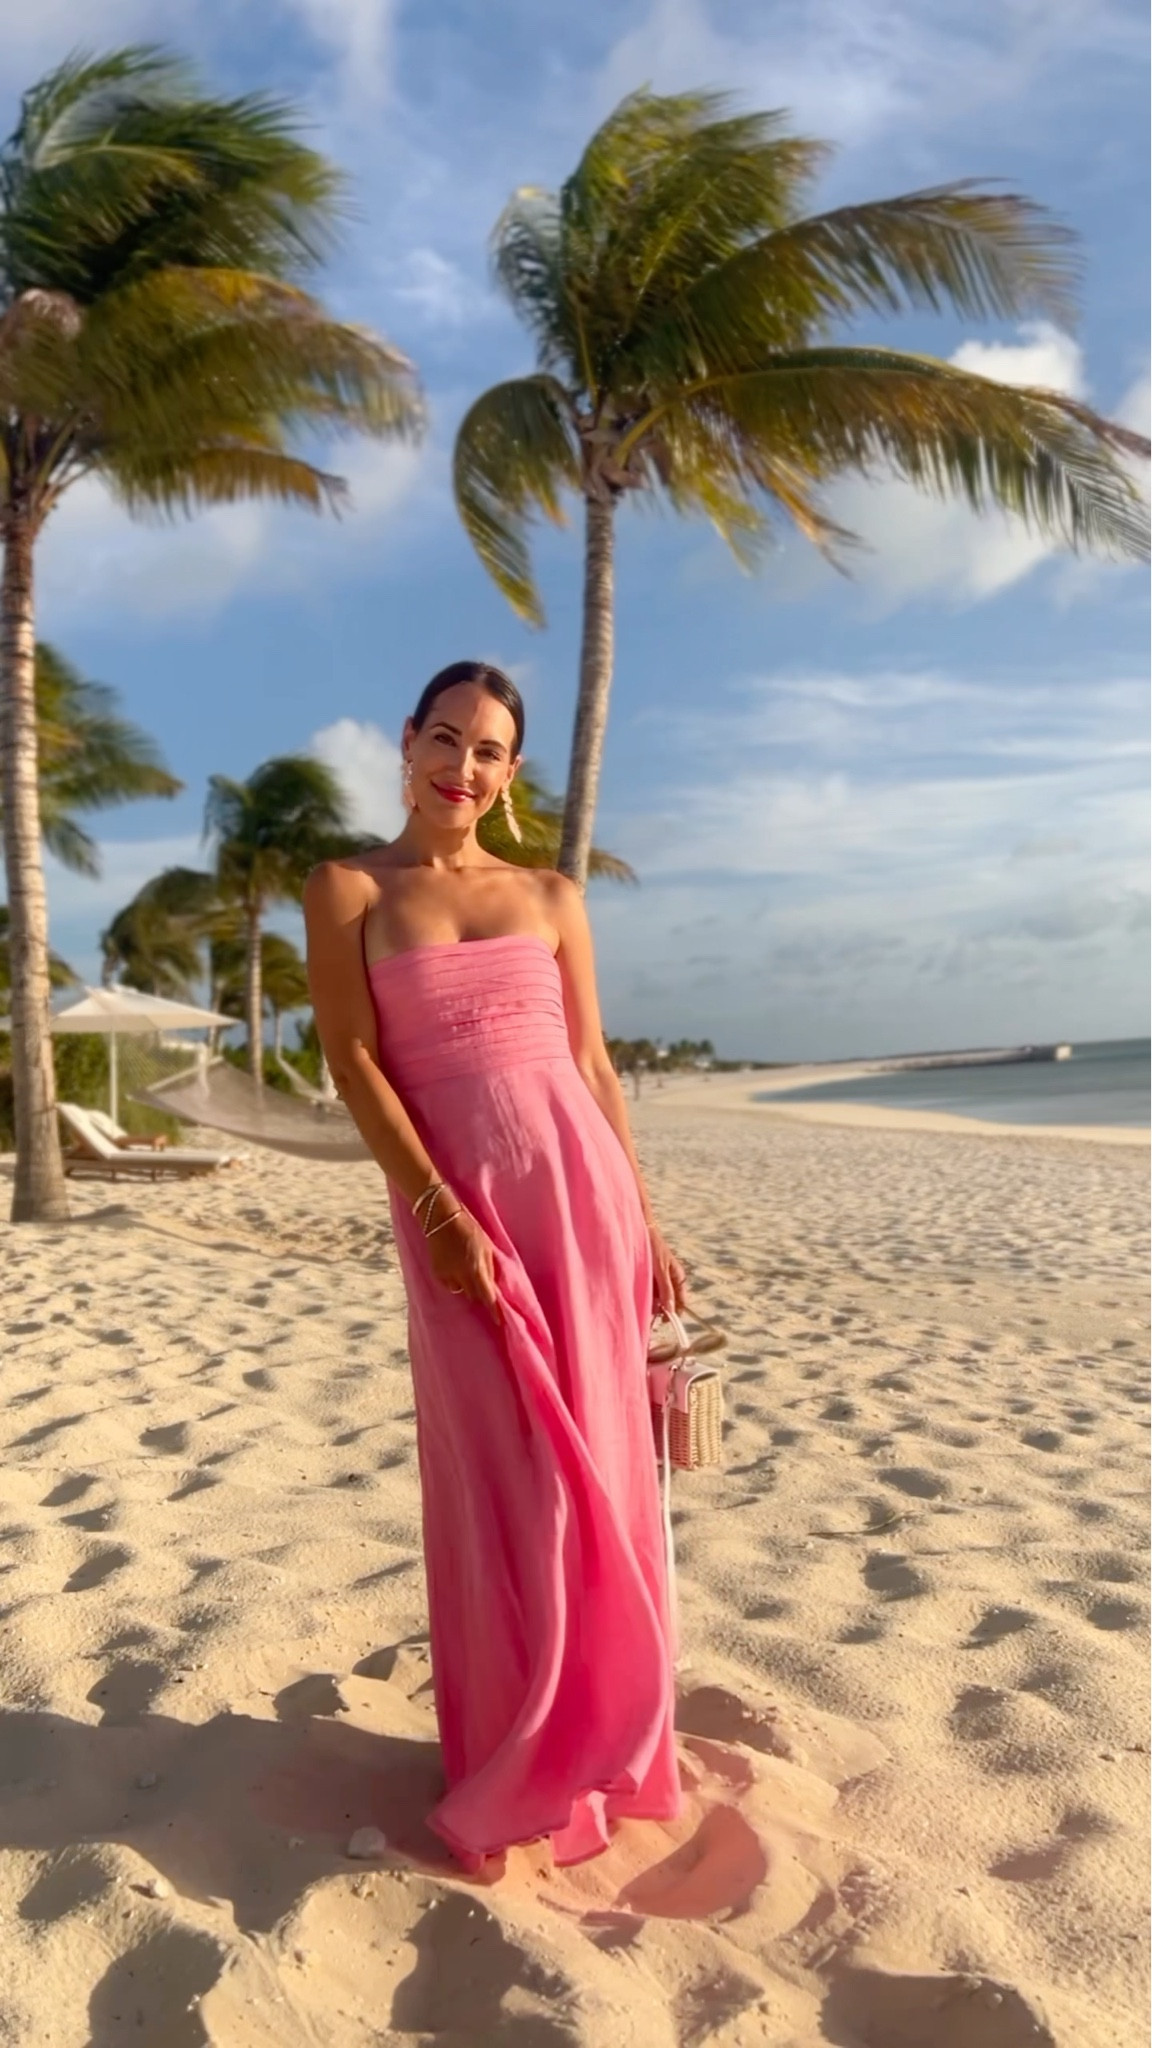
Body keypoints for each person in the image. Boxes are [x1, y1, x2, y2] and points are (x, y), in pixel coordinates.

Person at [303, 659, 686, 1873]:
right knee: (500, 1470)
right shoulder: (348, 886)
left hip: (581, 1204)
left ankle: (609, 1736)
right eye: (447, 739)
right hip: (453, 1212)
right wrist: (433, 1202)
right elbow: (353, 1060)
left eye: (488, 752)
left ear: (510, 774)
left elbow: (594, 1066)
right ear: (406, 740)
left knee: (604, 1470)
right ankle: (513, 1744)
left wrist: (647, 1217)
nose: (461, 768)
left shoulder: (553, 894)